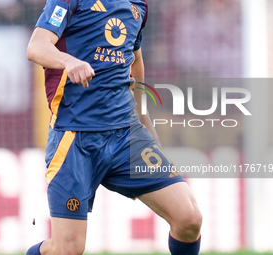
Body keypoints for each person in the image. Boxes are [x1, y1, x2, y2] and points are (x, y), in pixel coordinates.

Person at [26, 0, 202, 254]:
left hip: (126, 137)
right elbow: (36, 46)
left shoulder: (138, 6)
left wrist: (143, 117)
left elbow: (135, 59)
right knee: (67, 249)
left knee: (189, 218)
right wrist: (68, 61)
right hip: (75, 139)